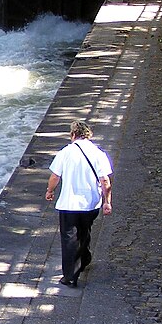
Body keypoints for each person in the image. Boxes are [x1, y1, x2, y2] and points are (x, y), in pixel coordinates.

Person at [45, 120, 113, 287]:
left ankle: (70, 276)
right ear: (88, 135)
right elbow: (105, 180)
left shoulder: (66, 152)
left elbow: (55, 176)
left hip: (69, 203)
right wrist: (107, 202)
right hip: (91, 203)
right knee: (84, 231)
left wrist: (50, 190)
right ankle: (84, 260)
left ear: (73, 134)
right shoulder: (99, 153)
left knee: (69, 238)